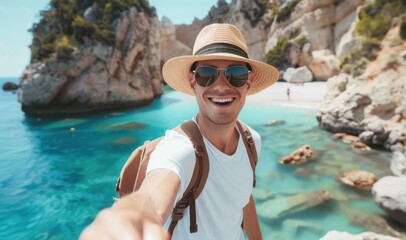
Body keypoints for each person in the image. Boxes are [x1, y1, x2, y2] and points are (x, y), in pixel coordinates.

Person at [80, 23, 278, 240]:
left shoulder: (251, 142)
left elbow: (242, 199)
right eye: (206, 74)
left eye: (236, 73)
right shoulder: (180, 150)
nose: (221, 86)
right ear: (192, 81)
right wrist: (129, 216)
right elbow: (152, 196)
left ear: (248, 82)